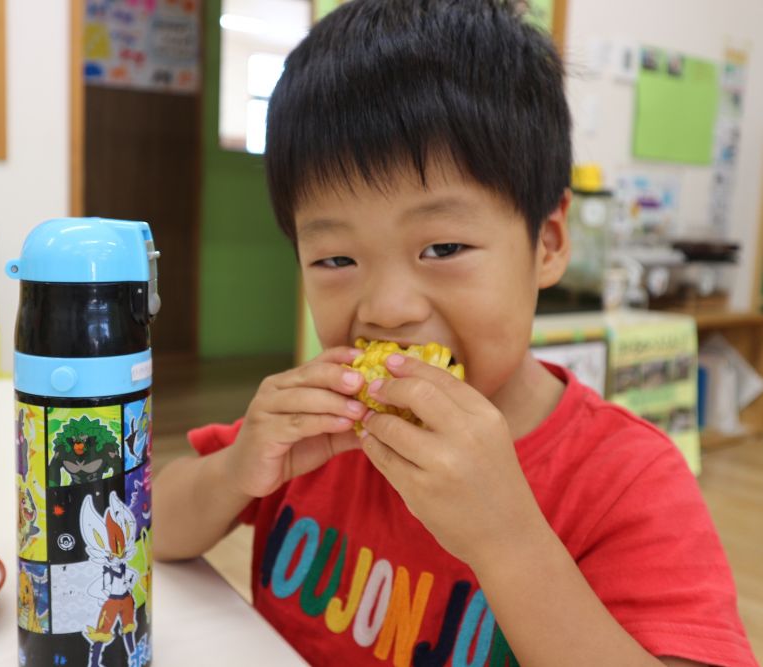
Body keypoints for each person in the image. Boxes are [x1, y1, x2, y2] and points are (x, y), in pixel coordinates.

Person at [153, 1, 757, 665]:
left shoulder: (625, 477)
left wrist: (506, 536)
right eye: (335, 259)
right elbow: (150, 529)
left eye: (442, 246)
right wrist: (237, 470)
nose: (387, 308)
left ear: (549, 242)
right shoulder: (311, 432)